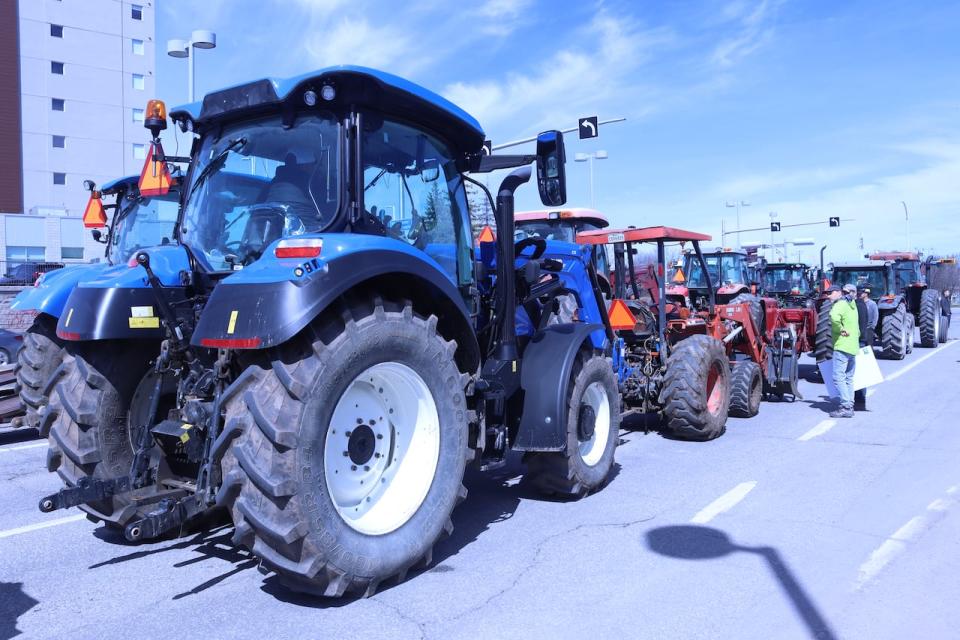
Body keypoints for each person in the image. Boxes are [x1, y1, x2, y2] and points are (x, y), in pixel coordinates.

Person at [828, 283, 860, 418]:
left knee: (838, 377)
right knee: (848, 378)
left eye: (831, 293)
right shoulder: (853, 306)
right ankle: (850, 404)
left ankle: (846, 406)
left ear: (841, 293)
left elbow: (833, 316)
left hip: (842, 345)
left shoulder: (840, 305)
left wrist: (840, 330)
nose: (829, 295)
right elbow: (857, 328)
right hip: (853, 347)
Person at [853, 287, 878, 411]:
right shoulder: (860, 305)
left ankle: (859, 399)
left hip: (865, 335)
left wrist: (870, 330)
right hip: (862, 337)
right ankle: (859, 399)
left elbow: (874, 319)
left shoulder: (869, 305)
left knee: (860, 369)